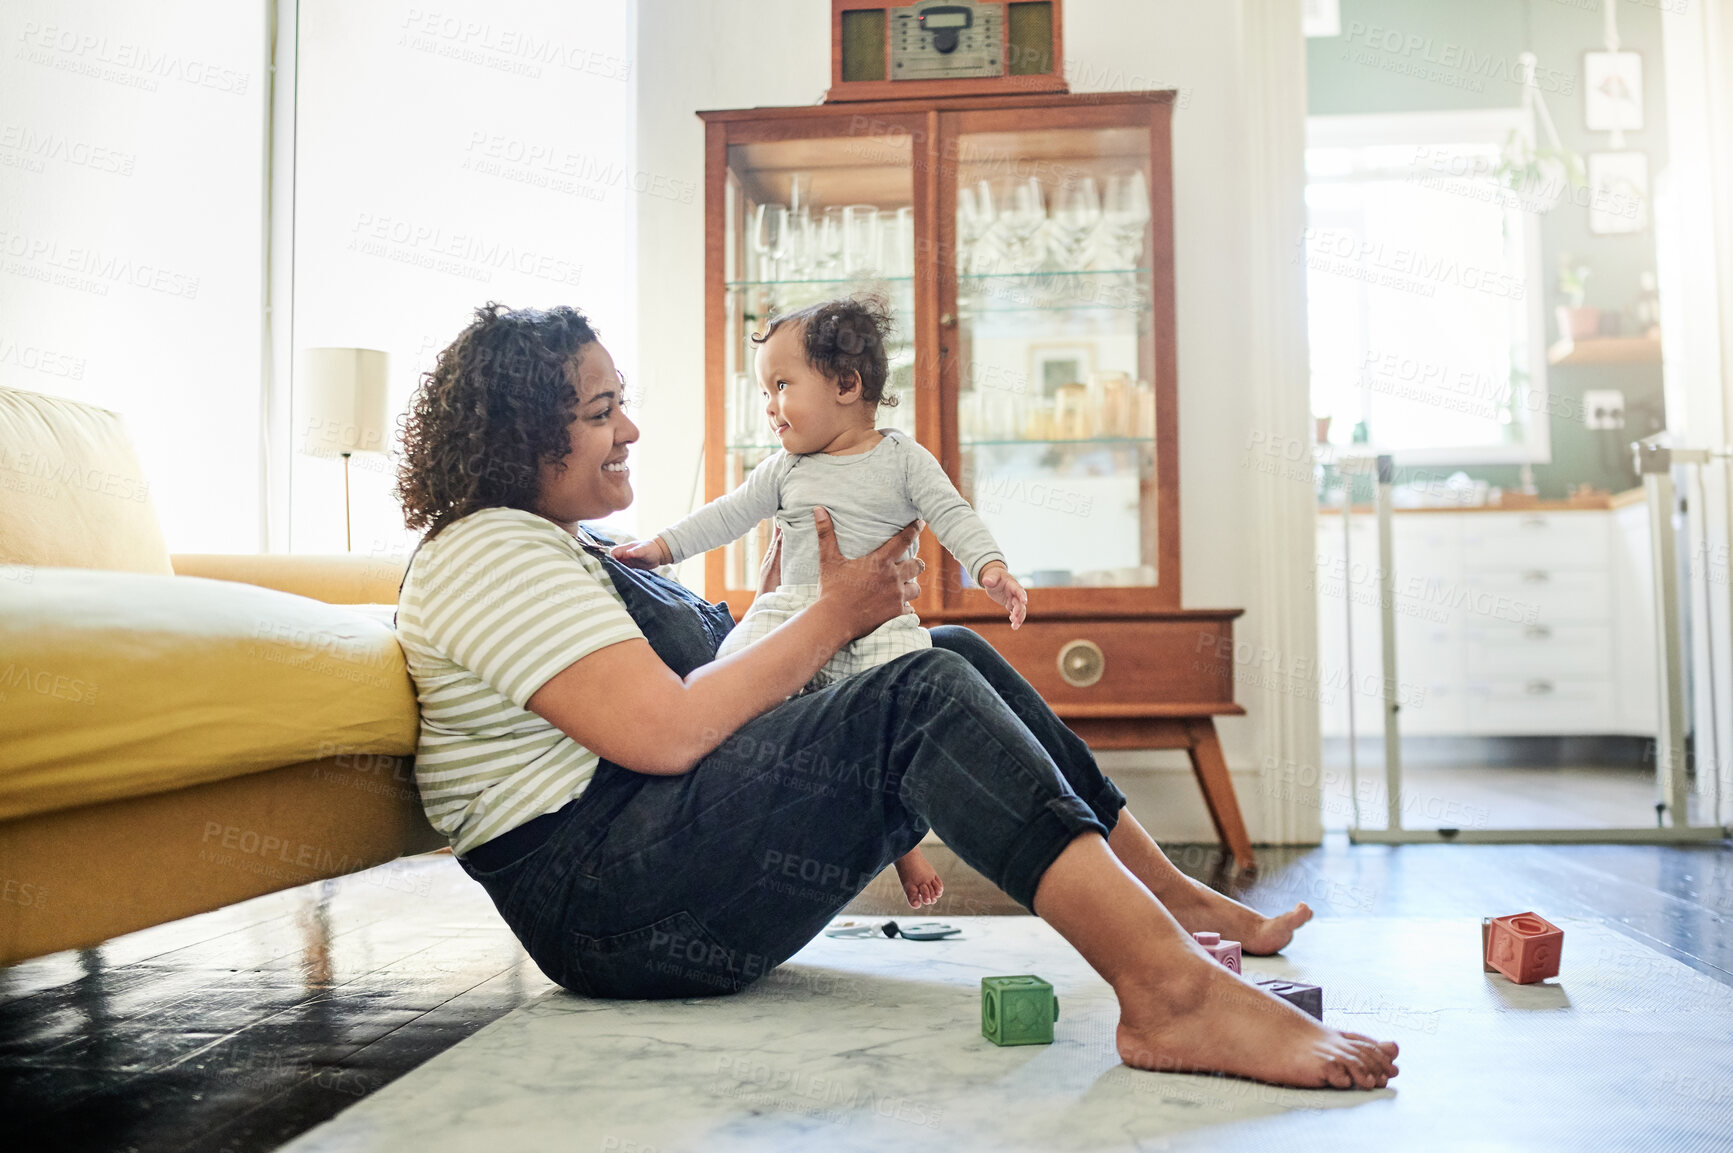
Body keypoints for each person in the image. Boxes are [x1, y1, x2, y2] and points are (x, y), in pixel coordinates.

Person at [392, 301, 1399, 1090]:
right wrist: (834, 614)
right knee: (914, 686)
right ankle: (1170, 995)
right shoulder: (486, 551)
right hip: (608, 905)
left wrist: (839, 617)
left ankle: (1169, 906)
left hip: (651, 862)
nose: (632, 429)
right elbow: (663, 732)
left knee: (941, 647)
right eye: (602, 411)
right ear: (525, 432)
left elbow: (721, 694)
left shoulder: (558, 548)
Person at [609, 295, 1027, 909]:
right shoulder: (783, 469)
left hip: (879, 624)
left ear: (847, 384)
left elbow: (951, 513)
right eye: (764, 392)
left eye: (782, 385)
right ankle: (726, 823)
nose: (771, 407)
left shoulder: (903, 459)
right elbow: (725, 516)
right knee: (724, 686)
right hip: (791, 615)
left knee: (907, 710)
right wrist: (661, 549)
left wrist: (990, 567)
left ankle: (903, 844)